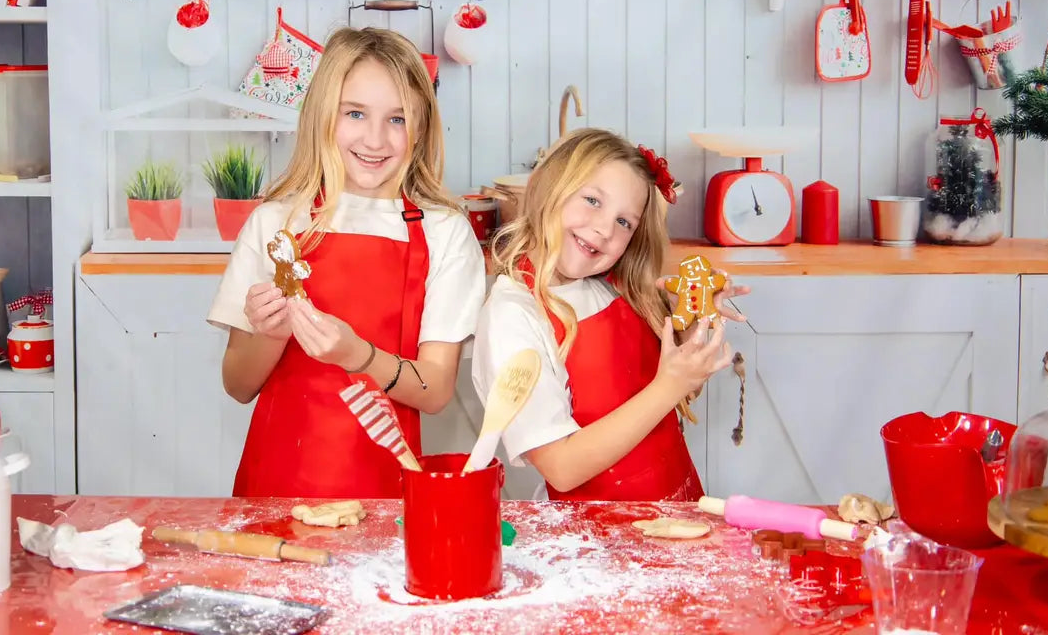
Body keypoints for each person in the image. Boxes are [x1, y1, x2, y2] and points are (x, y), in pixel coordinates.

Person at [208, 26, 485, 498]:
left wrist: (357, 356)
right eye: (355, 113)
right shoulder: (277, 224)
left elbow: (436, 390)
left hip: (387, 492)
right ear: (322, 117)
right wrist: (271, 334)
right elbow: (238, 384)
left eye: (397, 119)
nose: (375, 139)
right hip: (277, 487)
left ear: (421, 129)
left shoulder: (445, 233)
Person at [471, 127, 748, 501]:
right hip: (598, 539)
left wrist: (694, 314)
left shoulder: (614, 285)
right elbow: (561, 467)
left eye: (624, 222)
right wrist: (670, 385)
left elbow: (678, 390)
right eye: (592, 200)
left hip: (677, 508)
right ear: (548, 188)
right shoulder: (512, 316)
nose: (603, 228)